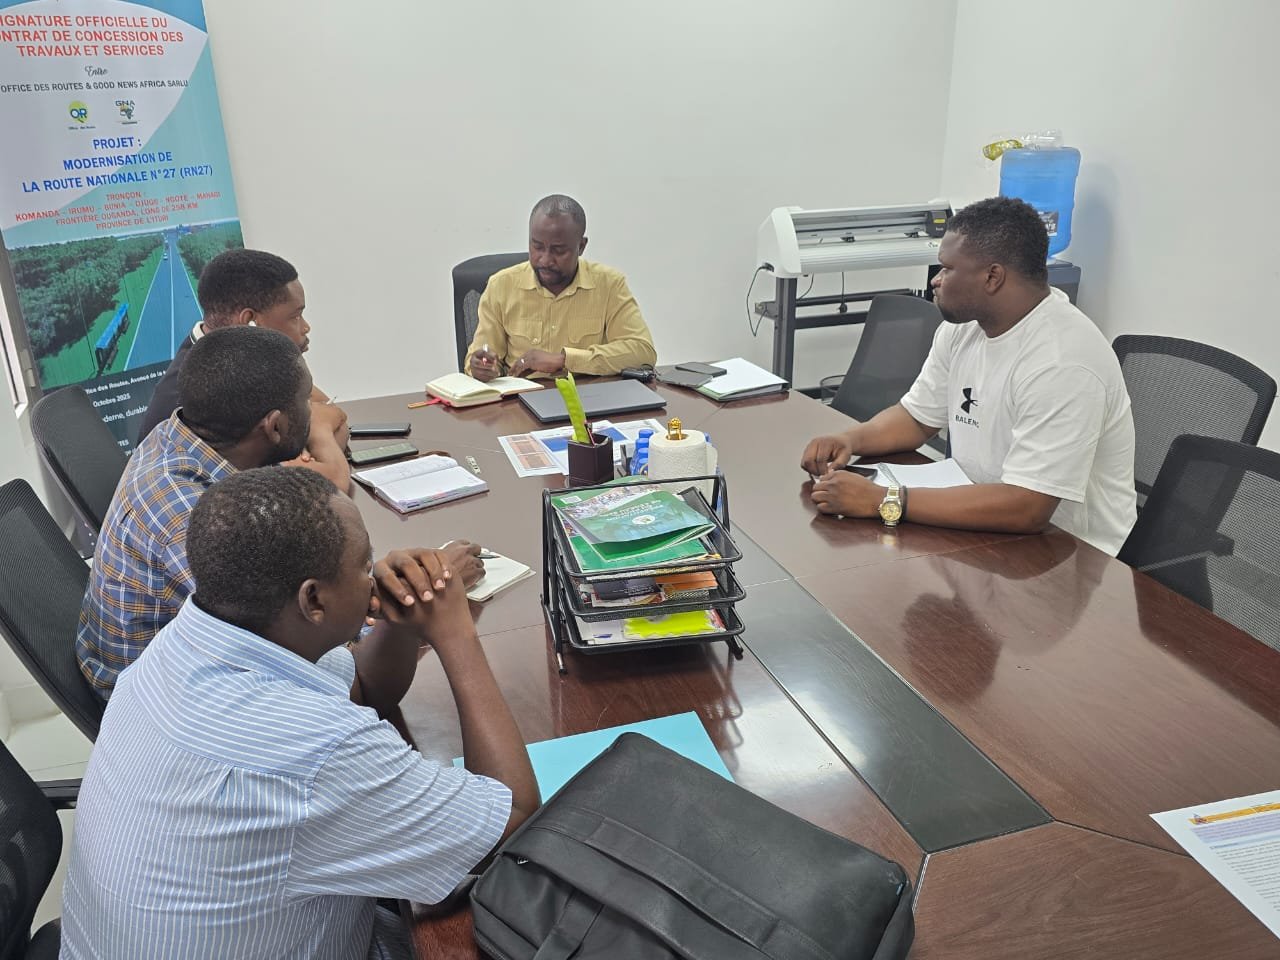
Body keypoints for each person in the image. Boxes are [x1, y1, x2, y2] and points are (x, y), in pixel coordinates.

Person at [60, 467, 539, 959]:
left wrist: (403, 620)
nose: (376, 575)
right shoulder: (316, 751)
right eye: (365, 564)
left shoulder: (190, 641)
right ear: (313, 600)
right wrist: (455, 633)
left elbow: (364, 686)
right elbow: (513, 822)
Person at [800, 196, 1137, 556]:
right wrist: (850, 439)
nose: (936, 280)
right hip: (983, 522)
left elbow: (1028, 507)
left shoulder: (1062, 362)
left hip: (1072, 556)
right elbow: (916, 419)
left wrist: (884, 500)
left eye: (947, 269)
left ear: (992, 277)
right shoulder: (964, 328)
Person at [78, 326, 373, 700]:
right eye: (305, 402)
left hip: (159, 667)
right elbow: (293, 638)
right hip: (162, 700)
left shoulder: (179, 435)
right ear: (275, 426)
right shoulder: (193, 520)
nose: (312, 411)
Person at [136, 248, 340, 446]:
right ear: (249, 321)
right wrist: (322, 433)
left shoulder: (244, 360)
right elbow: (323, 444)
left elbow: (331, 412)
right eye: (295, 316)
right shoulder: (200, 398)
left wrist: (322, 428)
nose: (306, 327)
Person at [464, 194, 657, 380]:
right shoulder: (501, 286)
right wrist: (482, 367)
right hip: (520, 397)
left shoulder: (609, 285)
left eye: (559, 250)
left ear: (581, 246)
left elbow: (642, 351)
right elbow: (480, 357)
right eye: (537, 247)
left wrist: (563, 360)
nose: (545, 260)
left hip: (586, 396)